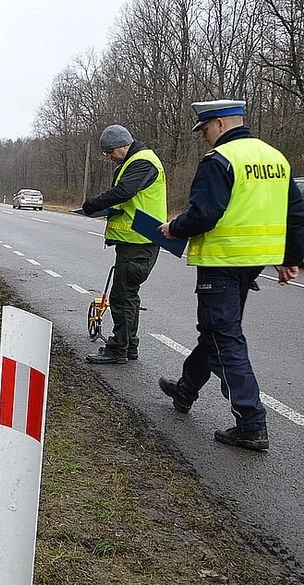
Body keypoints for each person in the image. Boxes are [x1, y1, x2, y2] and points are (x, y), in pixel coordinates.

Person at [157, 99, 304, 452]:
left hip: (222, 262)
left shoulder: (219, 160)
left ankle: (252, 423)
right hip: (252, 262)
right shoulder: (275, 158)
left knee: (225, 338)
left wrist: (174, 228)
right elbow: (296, 213)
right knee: (215, 332)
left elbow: (204, 213)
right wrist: (290, 258)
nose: (205, 137)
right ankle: (186, 389)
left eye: (205, 129)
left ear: (220, 124)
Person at [82, 124, 167, 365]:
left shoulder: (142, 161)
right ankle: (129, 346)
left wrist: (93, 204)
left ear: (122, 145)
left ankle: (118, 348)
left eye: (109, 152)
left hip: (139, 241)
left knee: (122, 297)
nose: (108, 158)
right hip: (137, 241)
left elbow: (124, 192)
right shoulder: (135, 162)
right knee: (128, 295)